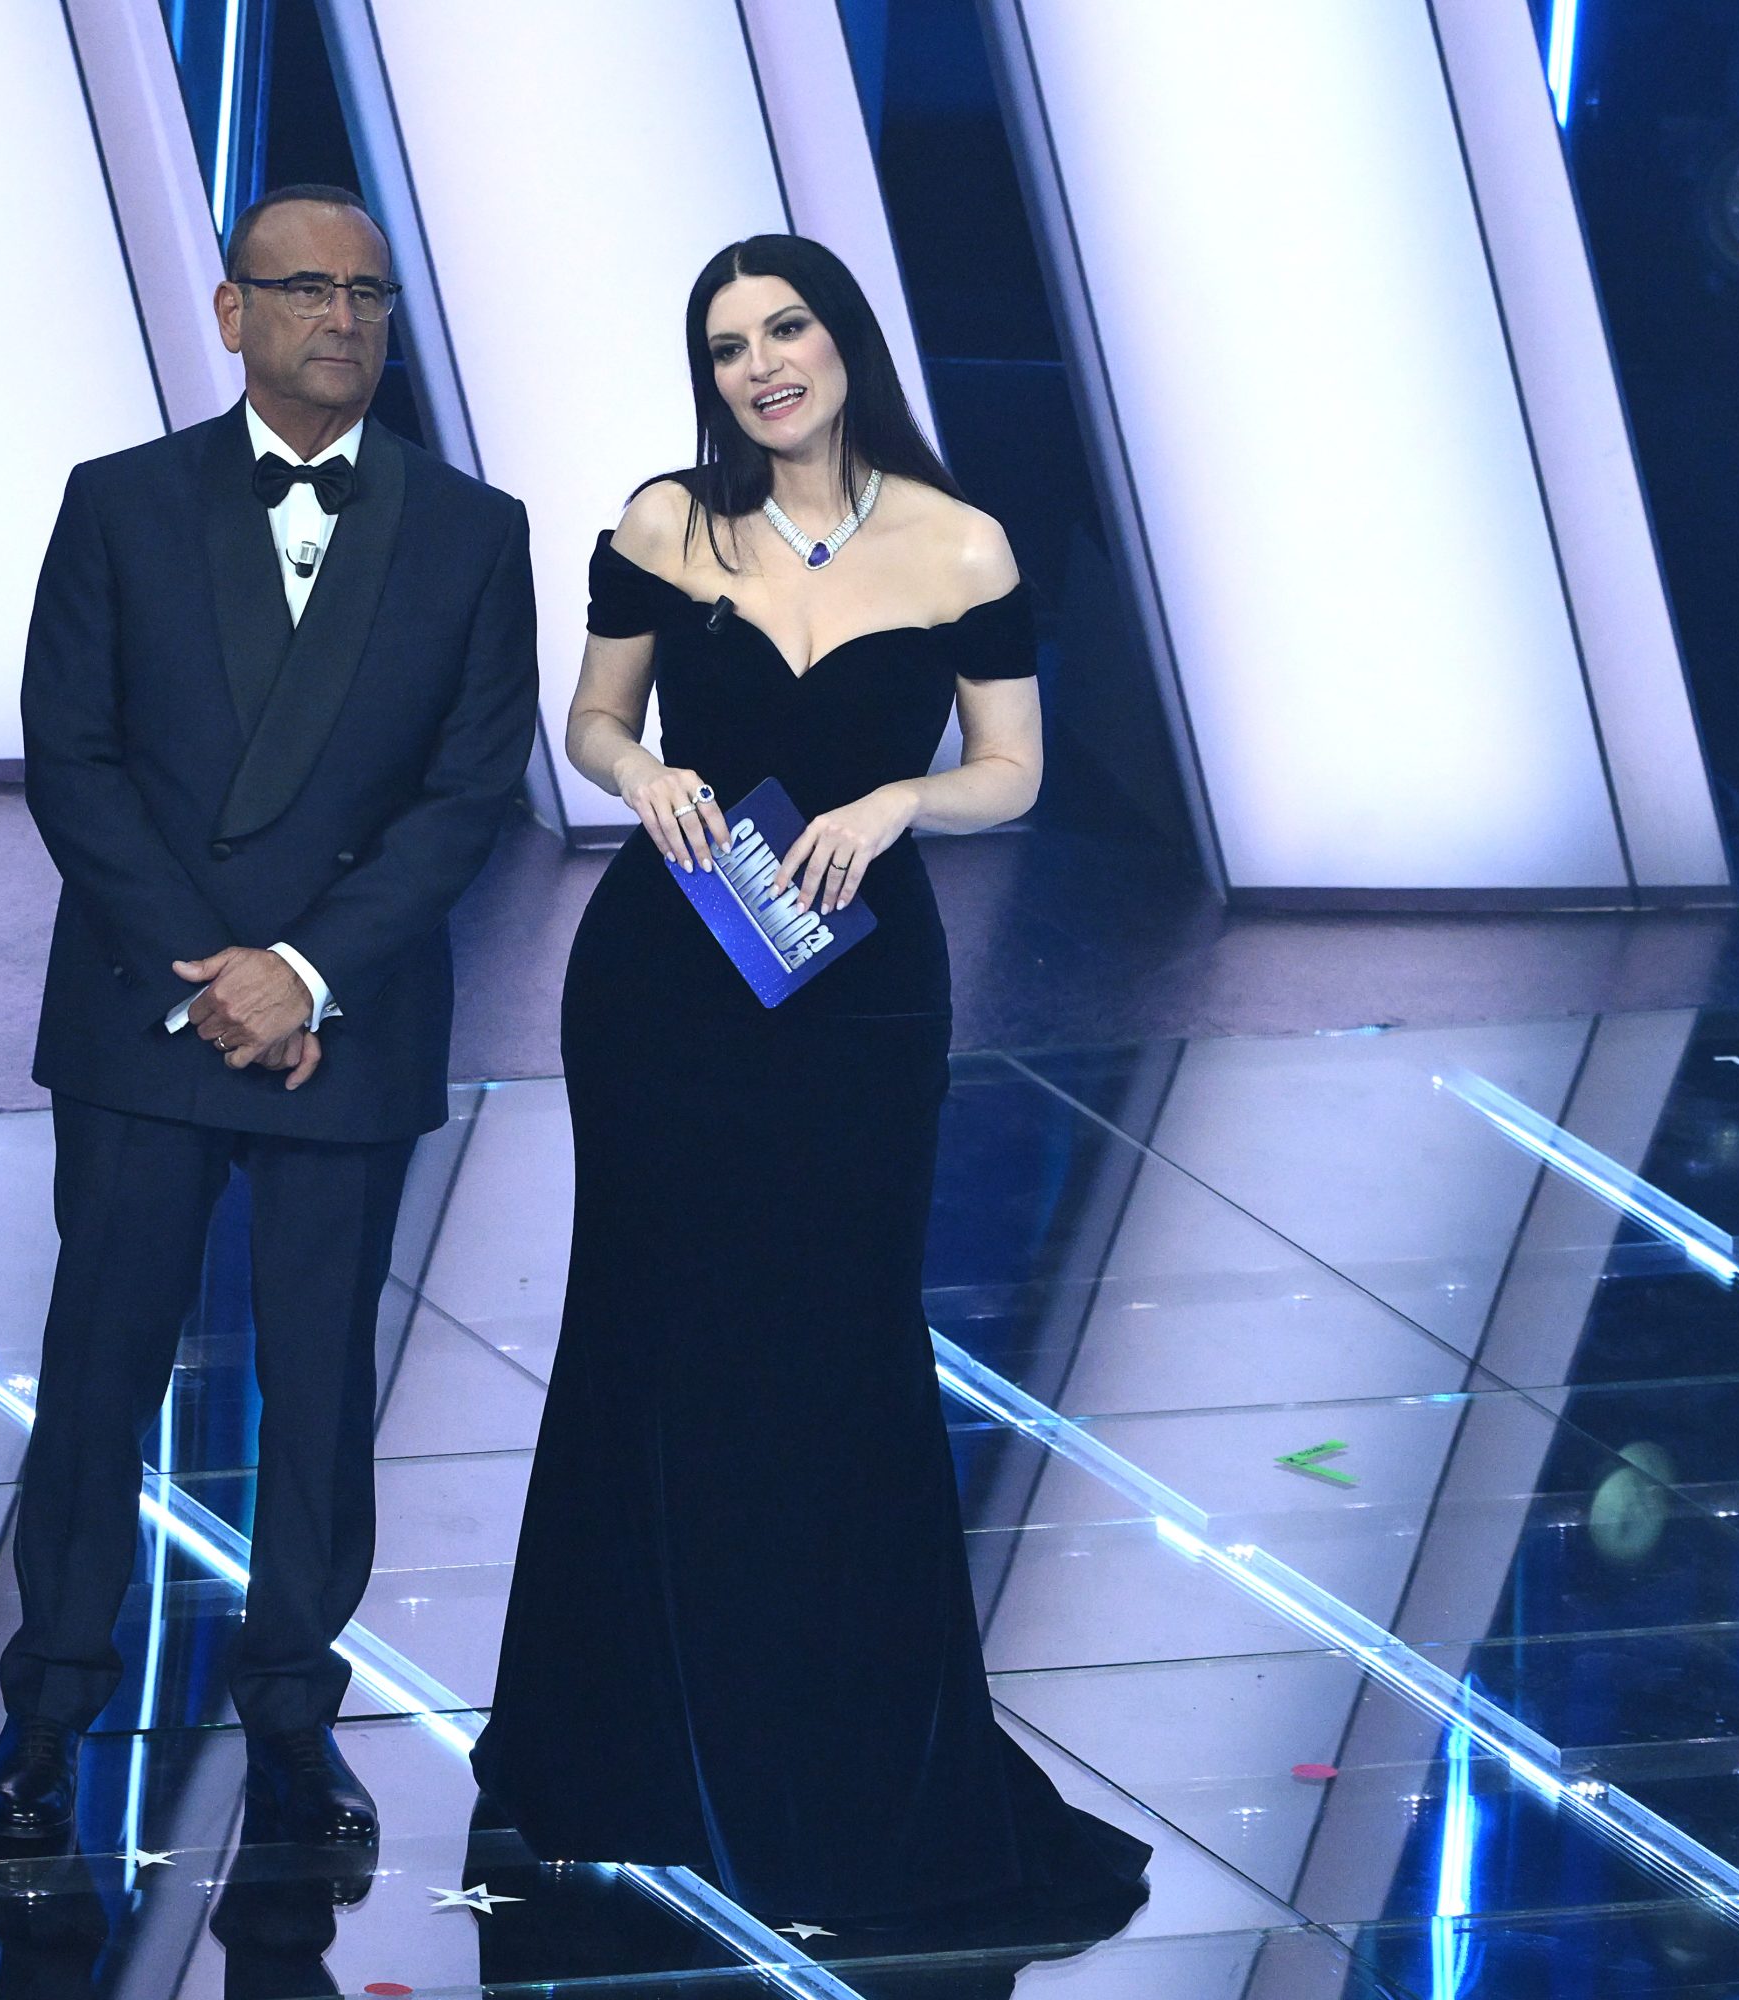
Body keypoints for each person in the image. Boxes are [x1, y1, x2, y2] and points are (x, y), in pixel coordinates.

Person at [469, 236, 1151, 1936]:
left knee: (835, 1348)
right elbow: (591, 719)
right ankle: (625, 1759)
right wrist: (643, 774)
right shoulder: (666, 525)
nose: (762, 365)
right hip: (667, 977)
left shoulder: (961, 542)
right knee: (650, 1334)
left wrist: (901, 802)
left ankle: (838, 1765)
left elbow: (1013, 768)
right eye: (727, 347)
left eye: (786, 329)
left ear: (845, 341)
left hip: (857, 992)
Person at [0, 184, 537, 1852]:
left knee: (321, 1387)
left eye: (367, 294)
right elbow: (71, 759)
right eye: (304, 289)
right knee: (101, 1370)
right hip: (148, 1012)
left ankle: (294, 1712)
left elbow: (467, 793)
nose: (340, 319)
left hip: (345, 1021)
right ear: (232, 314)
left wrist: (305, 974)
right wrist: (219, 971)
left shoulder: (472, 529)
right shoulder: (121, 503)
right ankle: (49, 1709)